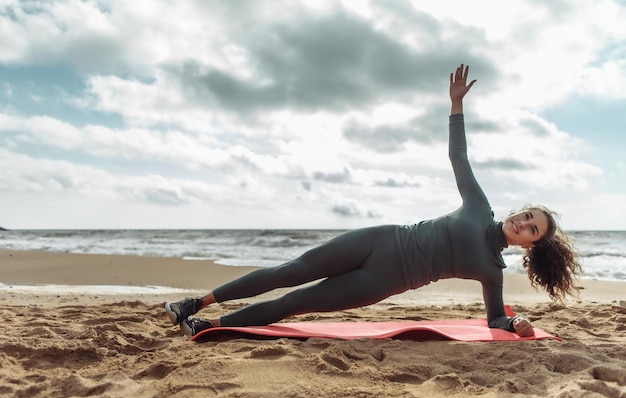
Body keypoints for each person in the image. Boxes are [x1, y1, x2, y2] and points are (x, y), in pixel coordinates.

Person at [165, 64, 582, 338]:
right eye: (527, 216)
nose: (523, 224)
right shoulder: (479, 206)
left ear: (529, 245)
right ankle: (194, 302)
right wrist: (456, 106)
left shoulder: (492, 271)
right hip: (380, 241)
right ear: (516, 211)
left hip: (381, 282)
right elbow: (459, 157)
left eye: (532, 229)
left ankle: (207, 325)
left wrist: (515, 323)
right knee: (288, 271)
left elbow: (494, 320)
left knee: (296, 302)